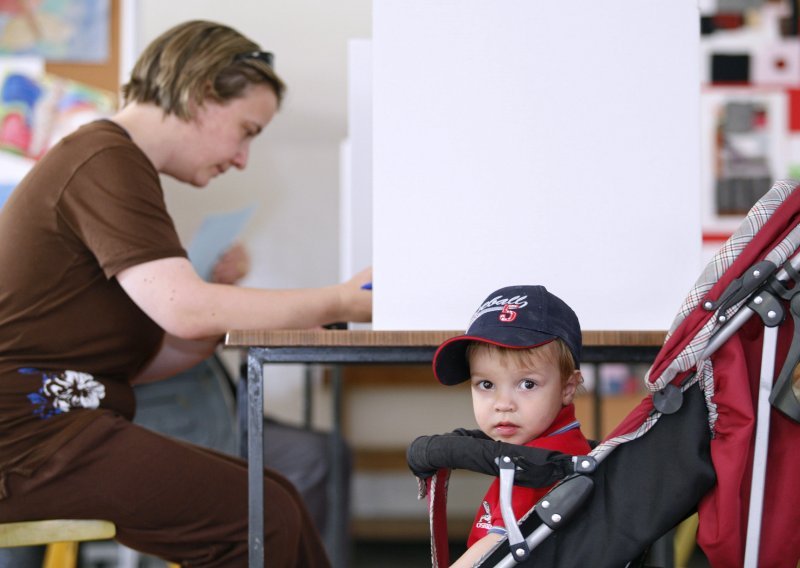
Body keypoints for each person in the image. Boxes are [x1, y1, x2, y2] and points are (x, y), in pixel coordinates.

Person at [0, 19, 371, 568]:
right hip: (29, 435)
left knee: (274, 499)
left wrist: (239, 311)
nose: (243, 157)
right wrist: (338, 301)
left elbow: (162, 348)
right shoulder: (104, 159)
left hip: (56, 426)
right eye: (247, 130)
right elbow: (186, 309)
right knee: (263, 514)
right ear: (200, 95)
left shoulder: (115, 164)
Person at [410, 285, 591, 568]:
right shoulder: (544, 444)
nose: (502, 403)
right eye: (486, 384)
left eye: (527, 384)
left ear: (567, 388)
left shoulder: (542, 463)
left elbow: (497, 548)